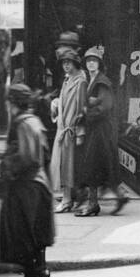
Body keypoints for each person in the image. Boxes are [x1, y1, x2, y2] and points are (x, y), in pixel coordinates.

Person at [0, 82, 55, 277]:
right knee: (36, 232)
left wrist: (6, 165)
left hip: (25, 187)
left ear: (13, 103)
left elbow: (26, 156)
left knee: (21, 233)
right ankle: (40, 270)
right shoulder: (34, 121)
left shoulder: (21, 123)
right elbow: (43, 155)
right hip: (39, 184)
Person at [76, 45, 127, 217]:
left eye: (94, 61)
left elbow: (105, 106)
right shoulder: (93, 80)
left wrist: (86, 113)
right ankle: (117, 196)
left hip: (101, 131)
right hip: (97, 130)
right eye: (88, 61)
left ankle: (94, 204)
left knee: (93, 164)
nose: (91, 64)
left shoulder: (101, 81)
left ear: (99, 64)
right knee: (101, 165)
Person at [49, 48, 88, 212]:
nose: (65, 66)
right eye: (64, 63)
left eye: (68, 62)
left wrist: (79, 132)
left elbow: (81, 109)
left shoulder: (80, 81)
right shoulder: (67, 80)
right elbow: (65, 100)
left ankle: (67, 200)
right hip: (63, 129)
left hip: (71, 130)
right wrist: (57, 102)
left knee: (68, 168)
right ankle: (69, 198)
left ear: (75, 63)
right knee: (64, 166)